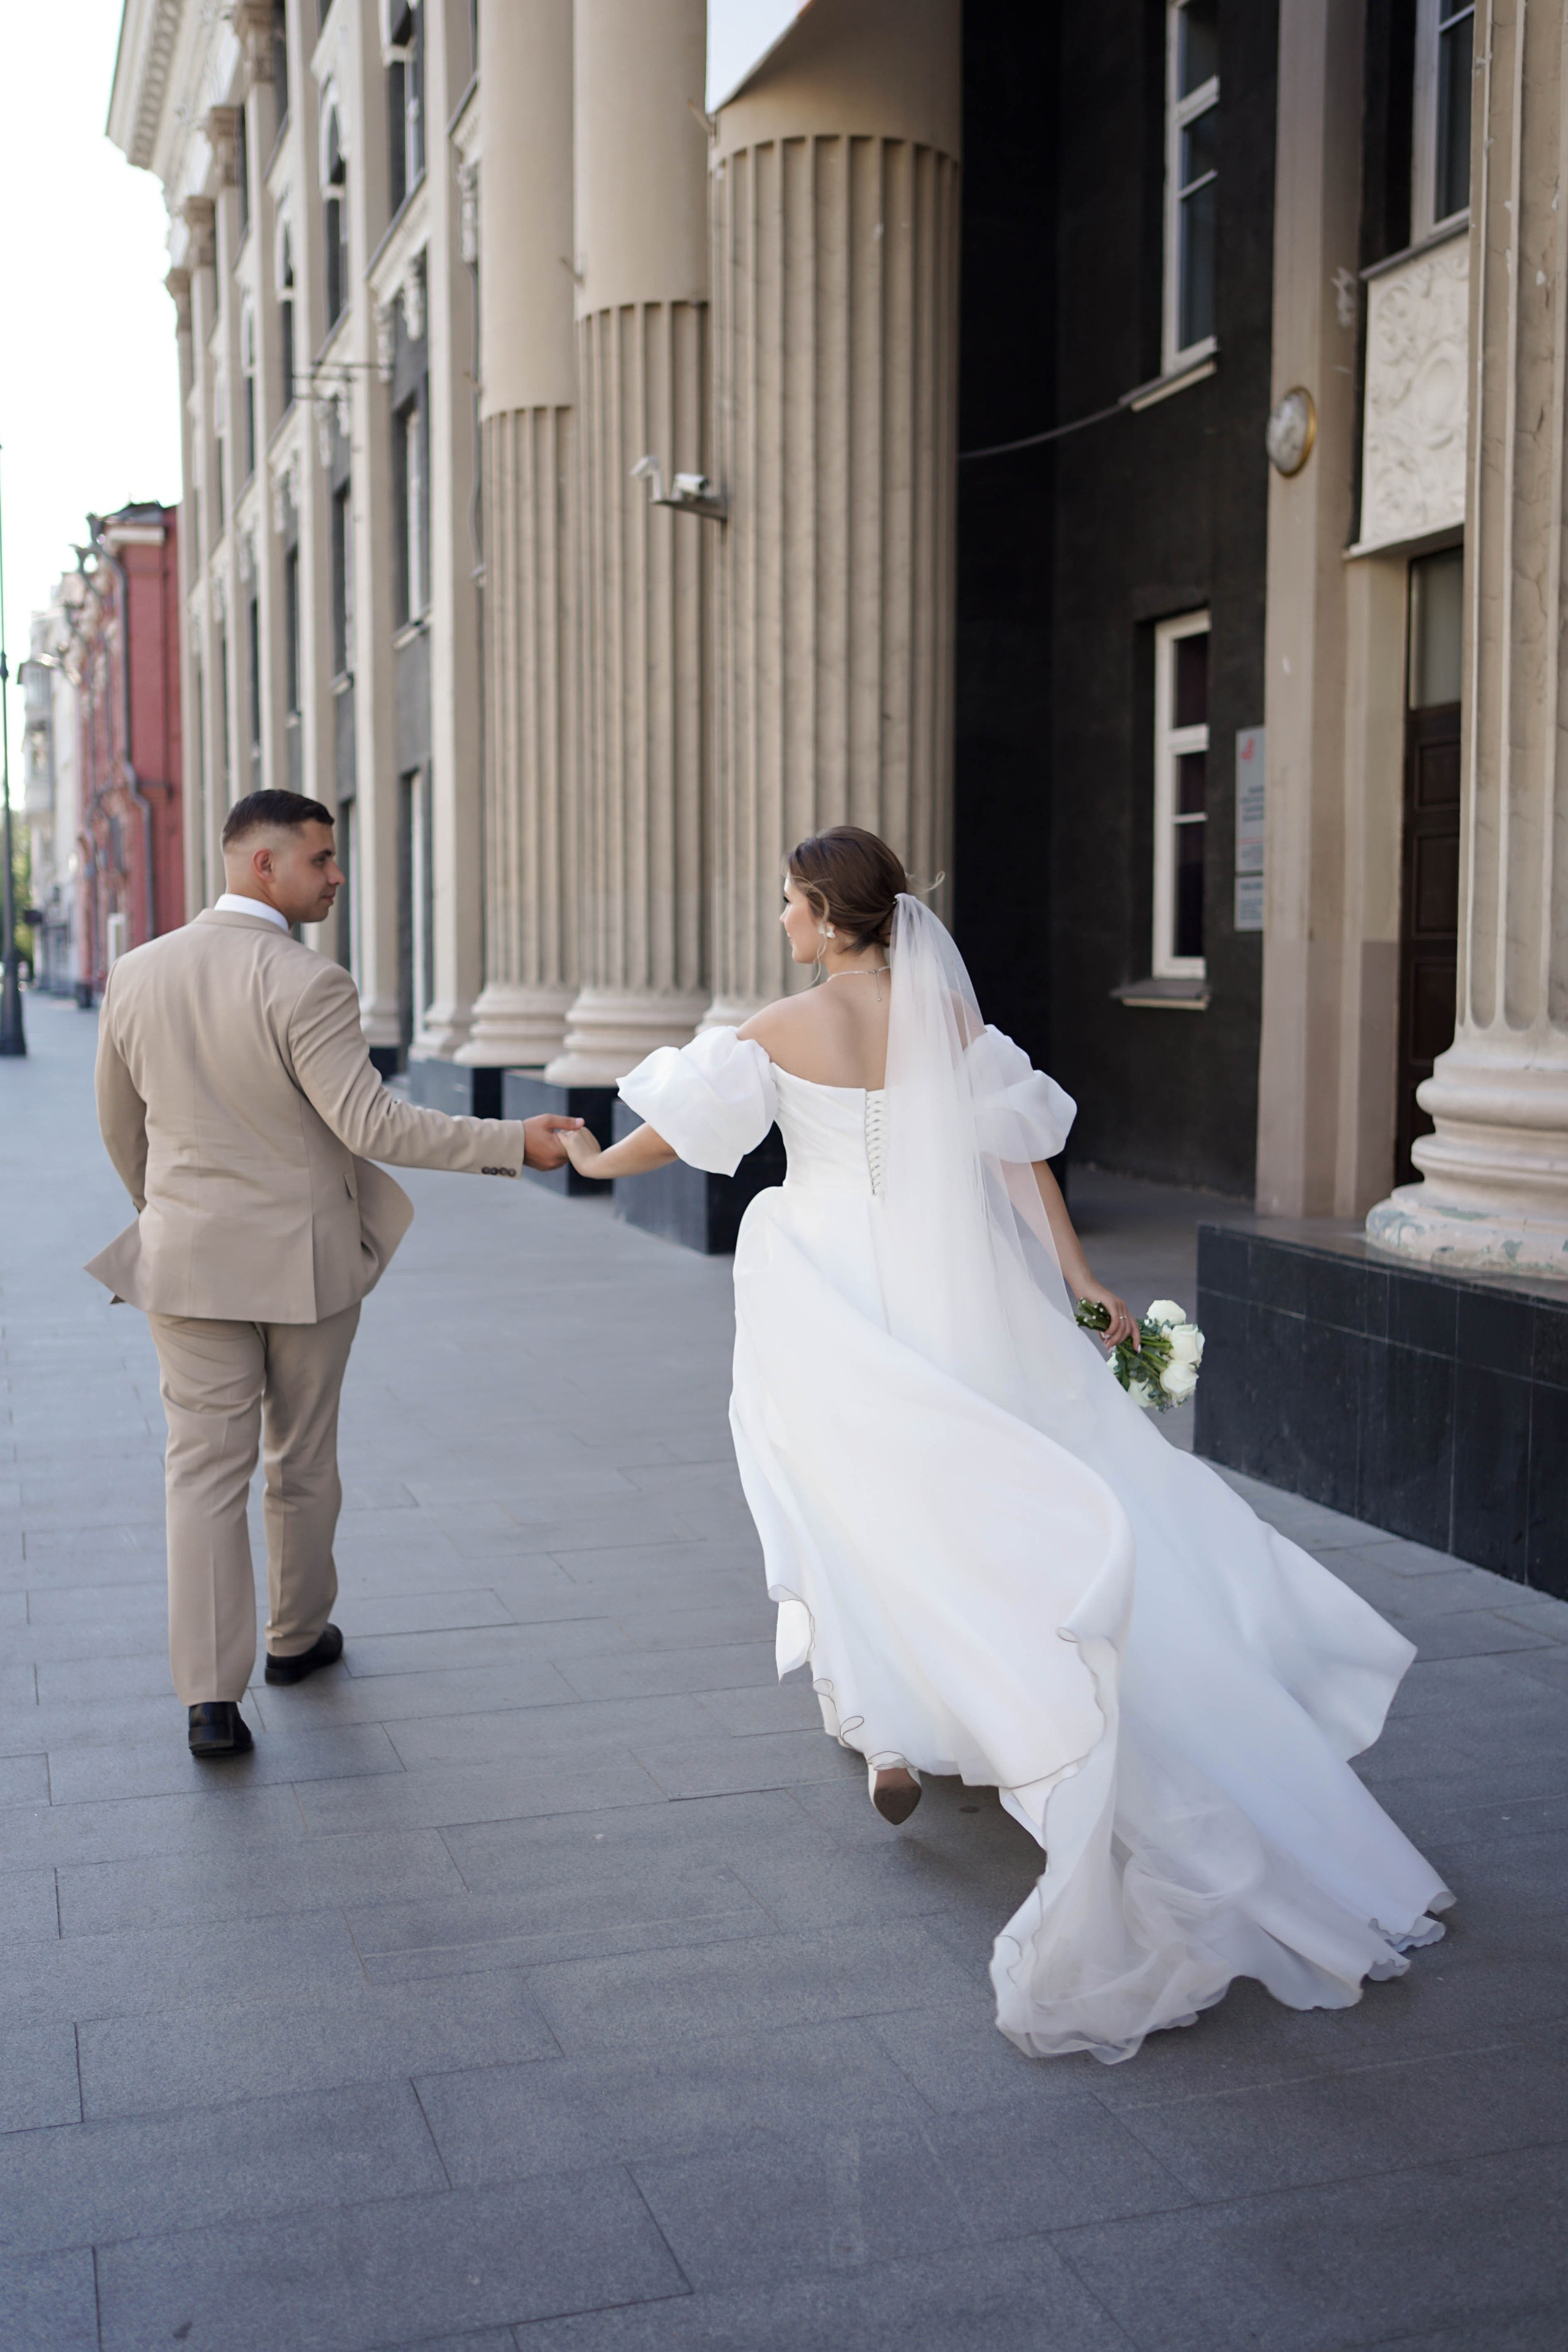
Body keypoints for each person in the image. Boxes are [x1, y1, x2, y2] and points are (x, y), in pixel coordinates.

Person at [562, 825, 1451, 2064]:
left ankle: (888, 1726)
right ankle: (923, 1710)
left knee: (848, 1498)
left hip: (823, 1284)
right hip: (948, 1285)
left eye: (786, 904)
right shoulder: (947, 1021)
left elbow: (680, 1131)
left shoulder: (779, 1027)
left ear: (825, 913)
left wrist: (597, 1154)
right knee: (971, 1494)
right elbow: (1024, 1152)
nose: (780, 922)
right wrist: (1081, 1282)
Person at [88, 789, 581, 1760]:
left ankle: (209, 1702)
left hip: (185, 1263)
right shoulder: (307, 981)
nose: (337, 876)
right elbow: (374, 1125)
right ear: (262, 865)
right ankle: (295, 1639)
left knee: (199, 1474)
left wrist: (170, 1211)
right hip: (302, 1267)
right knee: (301, 1458)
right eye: (321, 859)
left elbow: (119, 1124)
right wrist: (511, 1141)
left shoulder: (137, 973)